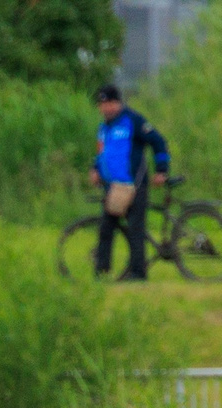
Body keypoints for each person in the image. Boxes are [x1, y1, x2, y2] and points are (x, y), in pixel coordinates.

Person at [90, 86, 170, 283]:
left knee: (136, 229)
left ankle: (138, 273)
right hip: (113, 188)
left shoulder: (133, 121)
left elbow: (158, 141)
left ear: (118, 103)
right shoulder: (104, 128)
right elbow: (102, 153)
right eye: (103, 104)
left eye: (109, 103)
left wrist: (162, 170)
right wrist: (95, 169)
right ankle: (102, 272)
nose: (106, 108)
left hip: (135, 185)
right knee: (106, 228)